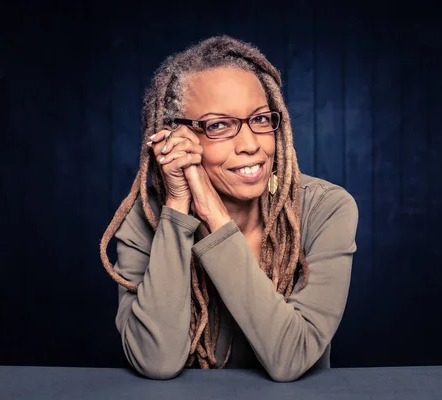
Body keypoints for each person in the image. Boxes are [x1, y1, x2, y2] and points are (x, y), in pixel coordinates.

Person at [99, 35, 359, 382]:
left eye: (261, 119)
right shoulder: (144, 218)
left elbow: (291, 357)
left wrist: (214, 216)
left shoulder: (324, 209)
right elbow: (156, 361)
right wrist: (178, 207)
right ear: (175, 137)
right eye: (219, 125)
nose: (251, 144)